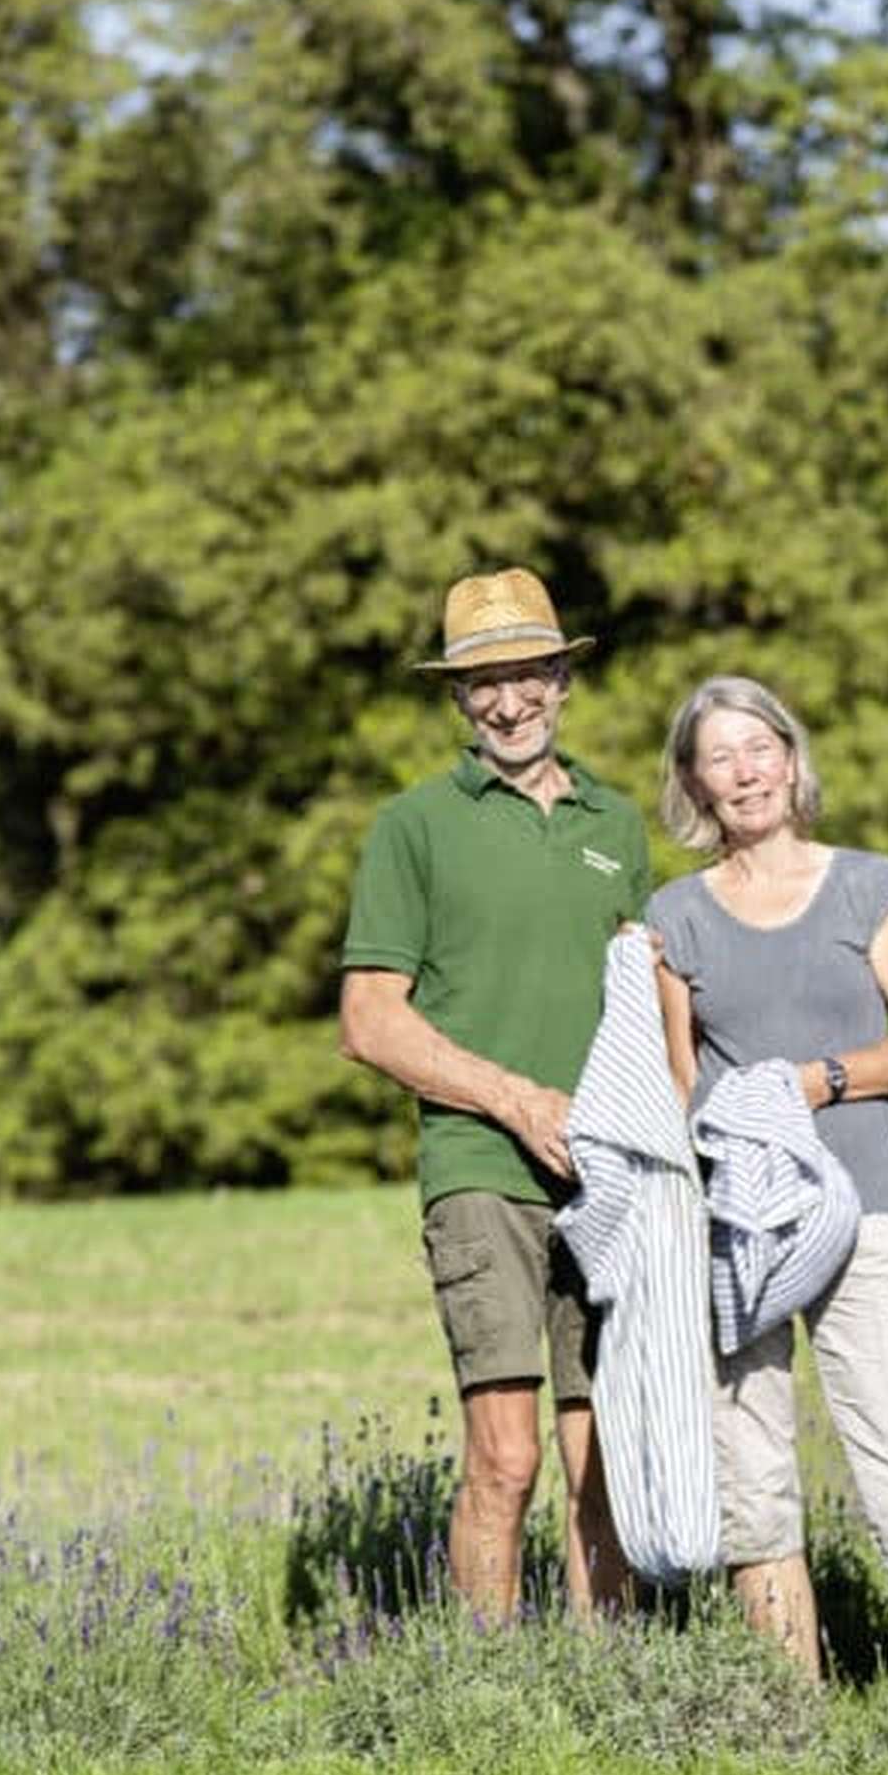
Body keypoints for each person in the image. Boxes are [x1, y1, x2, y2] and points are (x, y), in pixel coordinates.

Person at [643, 675, 888, 1677]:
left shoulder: (865, 885)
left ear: (793, 759)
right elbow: (679, 1088)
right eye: (721, 756)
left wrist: (819, 1081)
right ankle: (790, 1724)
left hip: (860, 1214)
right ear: (694, 783)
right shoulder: (674, 916)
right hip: (736, 1233)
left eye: (760, 746)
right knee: (751, 1490)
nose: (745, 770)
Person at [338, 565, 642, 1623]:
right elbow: (369, 1019)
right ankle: (485, 1702)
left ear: (565, 679)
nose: (509, 702)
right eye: (483, 684)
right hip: (482, 1171)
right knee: (507, 1459)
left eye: (529, 675)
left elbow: (653, 1008)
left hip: (610, 1185)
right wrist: (517, 1102)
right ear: (457, 700)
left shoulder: (620, 823)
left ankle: (614, 1697)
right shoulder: (414, 827)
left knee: (607, 1462)